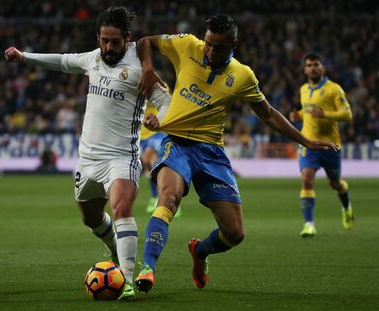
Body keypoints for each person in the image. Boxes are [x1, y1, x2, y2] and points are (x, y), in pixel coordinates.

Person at [133, 14, 338, 293]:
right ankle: (147, 269)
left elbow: (268, 114)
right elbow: (145, 42)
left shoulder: (242, 76)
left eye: (218, 46)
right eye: (208, 43)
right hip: (176, 143)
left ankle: (201, 251)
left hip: (211, 152)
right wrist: (147, 68)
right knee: (168, 197)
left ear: (234, 43)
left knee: (234, 233)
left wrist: (306, 140)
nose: (210, 50)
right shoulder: (187, 45)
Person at [5, 6, 170, 299]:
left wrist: (161, 120)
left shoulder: (140, 69)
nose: (107, 47)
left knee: (121, 209)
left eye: (114, 42)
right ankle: (114, 250)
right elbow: (62, 61)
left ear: (127, 38)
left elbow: (166, 100)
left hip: (122, 157)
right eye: (103, 40)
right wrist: (24, 56)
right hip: (88, 159)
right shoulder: (93, 59)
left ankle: (127, 281)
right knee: (91, 218)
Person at [289, 52, 354, 238]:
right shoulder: (303, 89)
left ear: (323, 68)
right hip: (308, 143)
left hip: (329, 145)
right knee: (307, 178)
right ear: (304, 69)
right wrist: (298, 116)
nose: (312, 68)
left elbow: (347, 115)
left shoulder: (334, 89)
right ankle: (309, 224)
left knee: (335, 184)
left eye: (316, 64)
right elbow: (308, 112)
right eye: (309, 65)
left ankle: (346, 206)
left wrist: (325, 114)